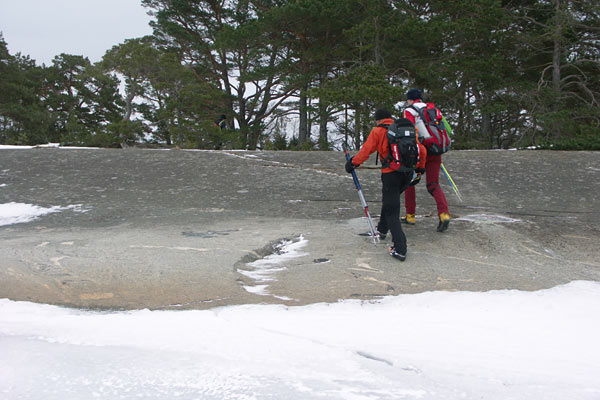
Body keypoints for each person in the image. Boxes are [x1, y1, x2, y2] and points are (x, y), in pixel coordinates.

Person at [345, 108, 426, 261]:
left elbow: (366, 151)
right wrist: (421, 168)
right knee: (390, 202)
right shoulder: (405, 130)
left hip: (391, 174)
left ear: (378, 120)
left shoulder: (378, 131)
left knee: (392, 211)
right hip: (407, 173)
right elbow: (421, 149)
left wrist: (352, 163)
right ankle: (382, 230)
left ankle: (400, 248)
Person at [402, 88, 450, 232]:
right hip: (436, 150)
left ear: (410, 99)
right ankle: (444, 214)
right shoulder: (434, 110)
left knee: (410, 182)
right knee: (434, 184)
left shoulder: (409, 111)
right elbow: (448, 129)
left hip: (420, 152)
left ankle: (410, 215)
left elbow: (409, 133)